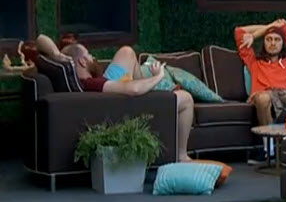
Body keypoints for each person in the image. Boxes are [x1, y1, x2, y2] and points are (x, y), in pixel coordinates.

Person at [35, 34, 195, 162]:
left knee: (127, 52)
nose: (93, 57)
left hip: (113, 92)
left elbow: (40, 39)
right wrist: (158, 76)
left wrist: (57, 54)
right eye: (89, 55)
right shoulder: (91, 83)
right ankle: (181, 155)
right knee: (186, 99)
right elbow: (134, 89)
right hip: (119, 102)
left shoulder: (83, 80)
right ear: (83, 62)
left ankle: (150, 89)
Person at [235, 18, 286, 126]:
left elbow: (283, 26)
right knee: (263, 98)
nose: (273, 43)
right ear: (264, 43)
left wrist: (261, 32)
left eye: (277, 39)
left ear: (283, 43)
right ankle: (270, 135)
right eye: (268, 39)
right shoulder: (254, 62)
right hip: (268, 99)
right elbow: (239, 31)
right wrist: (269, 27)